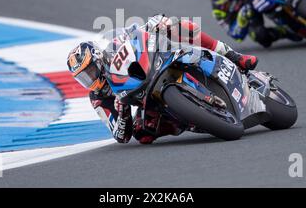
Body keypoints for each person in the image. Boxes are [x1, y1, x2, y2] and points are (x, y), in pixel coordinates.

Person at [67, 15, 258, 144]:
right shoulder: (98, 98)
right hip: (143, 98)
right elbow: (120, 135)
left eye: (90, 71)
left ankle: (234, 55)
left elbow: (135, 31)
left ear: (99, 58)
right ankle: (194, 118)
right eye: (84, 78)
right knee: (142, 134)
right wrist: (122, 111)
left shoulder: (113, 46)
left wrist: (156, 23)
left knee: (178, 26)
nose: (90, 79)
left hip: (153, 64)